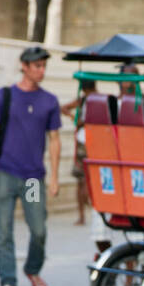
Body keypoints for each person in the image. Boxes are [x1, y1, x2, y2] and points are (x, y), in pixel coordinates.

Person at [0, 46, 62, 286]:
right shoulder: (3, 96)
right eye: (36, 66)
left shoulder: (49, 101)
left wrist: (55, 177)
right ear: (24, 67)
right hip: (6, 172)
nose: (41, 70)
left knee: (38, 229)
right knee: (4, 230)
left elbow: (55, 139)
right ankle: (8, 283)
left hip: (32, 178)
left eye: (43, 66)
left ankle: (32, 270)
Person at [60, 79, 95, 226]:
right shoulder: (84, 100)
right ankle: (83, 214)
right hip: (85, 143)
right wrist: (75, 119)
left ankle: (85, 214)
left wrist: (77, 120)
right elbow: (64, 108)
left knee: (85, 181)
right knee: (83, 181)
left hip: (90, 143)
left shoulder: (90, 100)